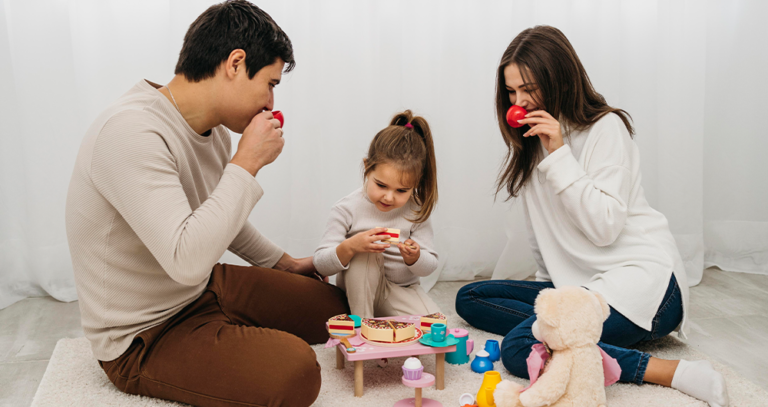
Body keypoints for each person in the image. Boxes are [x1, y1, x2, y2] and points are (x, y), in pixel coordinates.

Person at [65, 2, 348, 406]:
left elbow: (214, 214)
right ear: (235, 63)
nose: (270, 103)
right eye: (270, 83)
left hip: (200, 287)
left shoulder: (213, 130)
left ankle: (229, 325)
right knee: (296, 371)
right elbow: (184, 258)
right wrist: (247, 163)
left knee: (334, 311)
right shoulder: (130, 132)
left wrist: (285, 264)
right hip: (145, 334)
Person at [455, 26, 728, 407]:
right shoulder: (532, 143)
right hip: (581, 287)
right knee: (471, 297)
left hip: (644, 284)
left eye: (528, 89)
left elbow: (604, 228)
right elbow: (543, 235)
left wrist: (560, 153)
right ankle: (569, 332)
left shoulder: (605, 128)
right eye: (512, 91)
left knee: (520, 347)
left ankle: (665, 371)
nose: (519, 101)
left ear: (559, 79)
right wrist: (548, 296)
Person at [313, 110, 441, 319]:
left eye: (401, 190)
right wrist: (351, 246)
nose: (389, 198)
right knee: (366, 250)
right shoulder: (346, 208)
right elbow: (321, 263)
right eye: (381, 185)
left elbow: (429, 267)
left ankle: (379, 318)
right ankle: (363, 323)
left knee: (435, 327)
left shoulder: (417, 210)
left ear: (415, 185)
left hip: (400, 290)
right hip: (359, 293)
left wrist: (415, 257)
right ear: (367, 168)